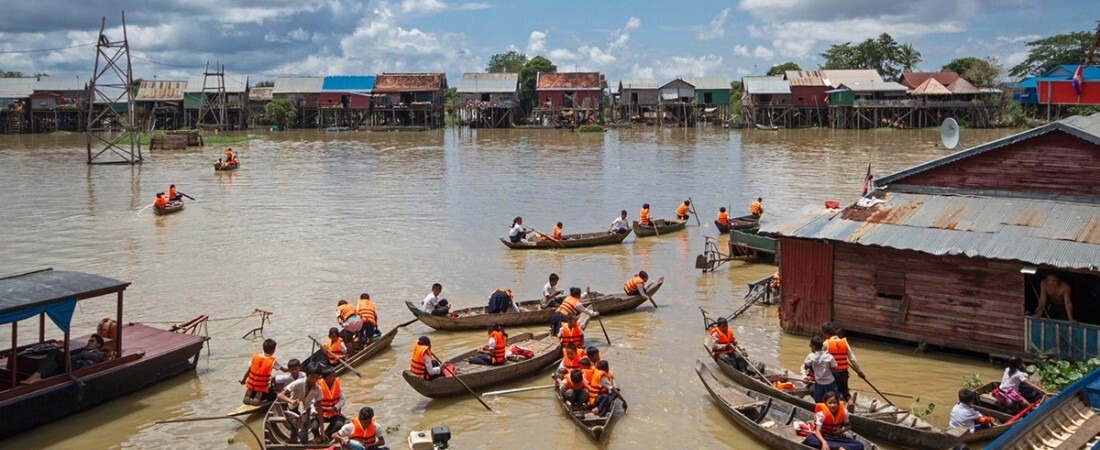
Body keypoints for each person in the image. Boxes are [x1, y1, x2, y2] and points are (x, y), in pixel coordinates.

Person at [20, 334, 105, 384]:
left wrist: (73, 357)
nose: (89, 342)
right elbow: (79, 356)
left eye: (92, 341)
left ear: (98, 345)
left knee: (54, 352)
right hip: (75, 365)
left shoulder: (98, 353)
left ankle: (37, 376)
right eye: (89, 341)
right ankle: (37, 379)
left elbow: (84, 357)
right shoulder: (85, 351)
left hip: (80, 368)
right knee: (52, 370)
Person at [276, 363, 323, 445]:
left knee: (305, 428)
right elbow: (280, 395)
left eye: (316, 378)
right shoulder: (298, 383)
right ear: (307, 375)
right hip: (293, 409)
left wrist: (322, 429)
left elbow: (319, 408)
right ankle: (293, 442)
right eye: (312, 377)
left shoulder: (317, 389)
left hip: (306, 409)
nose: (314, 380)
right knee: (294, 429)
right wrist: (291, 401)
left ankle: (303, 445)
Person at [821, 322, 865, 401]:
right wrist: (859, 371)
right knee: (845, 392)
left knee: (832, 393)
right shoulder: (844, 342)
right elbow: (853, 359)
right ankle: (850, 402)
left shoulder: (826, 344)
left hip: (833, 373)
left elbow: (821, 361)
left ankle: (839, 406)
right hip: (844, 373)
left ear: (826, 334)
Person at [240, 338, 287, 406]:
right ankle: (259, 399)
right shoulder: (272, 361)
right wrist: (291, 369)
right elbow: (284, 370)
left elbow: (248, 371)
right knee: (274, 395)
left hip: (251, 386)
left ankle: (250, 397)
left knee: (255, 384)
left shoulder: (255, 357)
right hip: (262, 388)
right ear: (273, 350)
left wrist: (243, 381)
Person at [310, 366, 346, 443]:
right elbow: (312, 401)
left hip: (333, 413)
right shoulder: (317, 386)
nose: (333, 379)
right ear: (325, 378)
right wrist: (313, 411)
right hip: (320, 413)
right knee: (314, 427)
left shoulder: (337, 385)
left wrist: (335, 407)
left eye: (334, 376)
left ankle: (326, 435)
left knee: (339, 424)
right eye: (330, 377)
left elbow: (342, 400)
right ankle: (317, 437)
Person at [803, 335, 838, 403]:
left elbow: (805, 367)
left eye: (810, 346)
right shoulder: (829, 356)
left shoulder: (811, 357)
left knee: (819, 402)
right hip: (830, 382)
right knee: (834, 400)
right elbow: (834, 368)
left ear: (813, 347)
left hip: (819, 382)